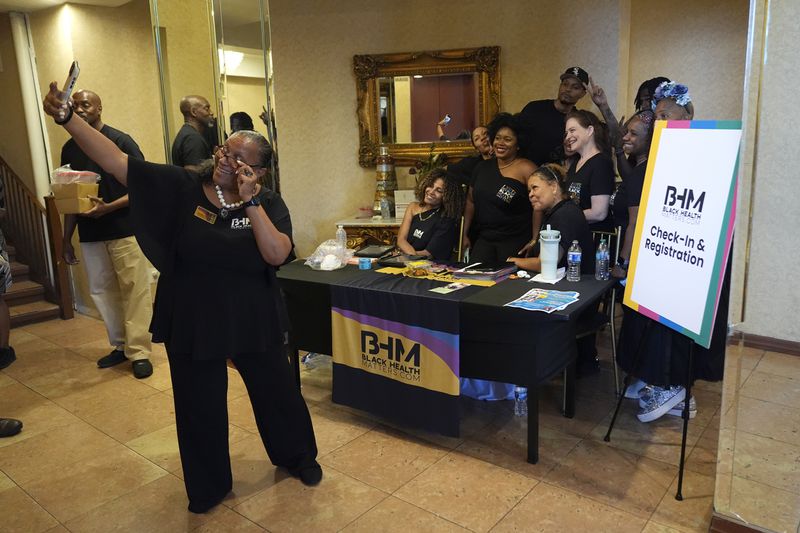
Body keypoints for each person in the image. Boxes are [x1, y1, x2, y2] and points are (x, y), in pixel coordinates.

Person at [44, 81, 321, 513]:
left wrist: (250, 203)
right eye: (224, 151)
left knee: (278, 394)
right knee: (198, 406)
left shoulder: (267, 201)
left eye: (238, 158)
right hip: (192, 315)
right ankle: (209, 485)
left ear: (259, 172)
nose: (225, 160)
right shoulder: (183, 187)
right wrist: (67, 119)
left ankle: (298, 456)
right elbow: (117, 162)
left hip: (254, 315)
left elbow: (276, 253)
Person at [616, 82, 725, 423]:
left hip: (687, 258)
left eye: (666, 115)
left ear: (688, 115)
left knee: (676, 328)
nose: (660, 121)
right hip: (660, 254)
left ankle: (676, 386)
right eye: (657, 116)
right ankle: (663, 383)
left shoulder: (703, 153)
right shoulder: (659, 159)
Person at [60, 90, 154, 379]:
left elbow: (144, 186)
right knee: (103, 292)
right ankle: (120, 345)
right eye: (75, 106)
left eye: (85, 104)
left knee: (136, 290)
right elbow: (68, 195)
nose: (80, 109)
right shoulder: (69, 148)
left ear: (99, 108)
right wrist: (66, 238)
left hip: (126, 229)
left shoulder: (121, 141)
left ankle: (139, 352)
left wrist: (108, 208)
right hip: (90, 233)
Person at [507, 165, 598, 375]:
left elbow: (547, 262)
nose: (530, 194)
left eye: (535, 188)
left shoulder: (564, 215)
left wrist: (514, 261)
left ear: (554, 186)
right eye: (529, 190)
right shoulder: (560, 211)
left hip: (575, 299)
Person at [462, 113, 538, 264]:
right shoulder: (481, 168)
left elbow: (539, 206)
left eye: (507, 139)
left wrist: (535, 239)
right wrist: (464, 233)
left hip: (515, 242)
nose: (500, 143)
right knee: (475, 281)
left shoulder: (526, 168)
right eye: (497, 138)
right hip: (484, 240)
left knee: (509, 286)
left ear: (518, 144)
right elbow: (470, 201)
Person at [518, 67, 588, 166]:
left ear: (583, 94)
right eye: (565, 84)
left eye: (575, 87)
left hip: (557, 177)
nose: (568, 89)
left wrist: (602, 106)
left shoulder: (579, 121)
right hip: (525, 172)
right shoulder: (534, 109)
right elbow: (515, 139)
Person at [564, 109, 616, 232]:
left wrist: (564, 217)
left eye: (572, 130)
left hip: (595, 239)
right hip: (576, 236)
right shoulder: (575, 164)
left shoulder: (601, 163)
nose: (568, 137)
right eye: (566, 133)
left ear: (590, 130)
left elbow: (599, 213)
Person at [396, 168, 464, 260]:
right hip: (408, 260)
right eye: (430, 186)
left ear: (447, 197)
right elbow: (401, 239)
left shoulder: (446, 219)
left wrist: (404, 256)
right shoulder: (412, 207)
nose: (431, 192)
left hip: (430, 267)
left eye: (439, 190)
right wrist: (406, 257)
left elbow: (428, 254)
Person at [171, 95, 214, 171]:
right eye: (207, 109)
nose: (211, 113)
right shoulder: (192, 139)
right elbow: (194, 173)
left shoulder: (187, 133)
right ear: (193, 112)